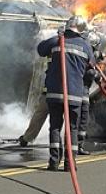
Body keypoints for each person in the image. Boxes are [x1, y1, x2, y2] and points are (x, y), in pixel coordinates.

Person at [37, 15, 96, 172]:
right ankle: (70, 164)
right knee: (72, 129)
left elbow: (40, 49)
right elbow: (92, 70)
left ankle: (53, 162)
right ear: (82, 31)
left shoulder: (57, 41)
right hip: (74, 95)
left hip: (54, 94)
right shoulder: (85, 46)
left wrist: (57, 37)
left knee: (55, 127)